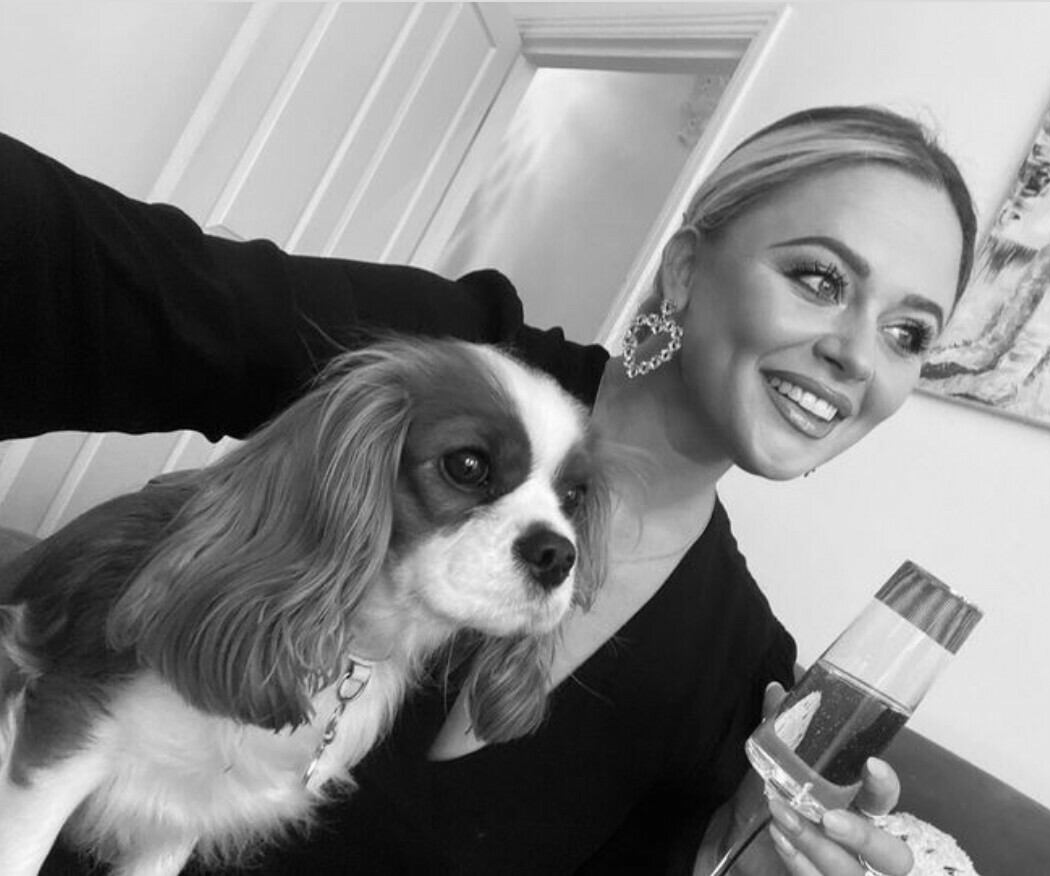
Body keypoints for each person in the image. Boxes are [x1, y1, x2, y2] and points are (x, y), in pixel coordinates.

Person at [0, 103, 976, 876]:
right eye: (819, 279)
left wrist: (741, 857)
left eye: (909, 334)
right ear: (684, 271)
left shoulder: (743, 674)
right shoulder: (439, 357)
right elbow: (113, 281)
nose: (857, 355)